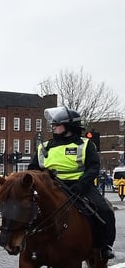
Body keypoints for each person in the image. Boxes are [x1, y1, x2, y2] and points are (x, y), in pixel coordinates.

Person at [28, 107, 116, 259]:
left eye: (57, 124)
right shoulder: (44, 147)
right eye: (53, 124)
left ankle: (104, 246)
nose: (53, 126)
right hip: (52, 186)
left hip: (79, 186)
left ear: (69, 126)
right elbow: (33, 168)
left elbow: (93, 167)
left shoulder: (86, 144)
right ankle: (26, 242)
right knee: (24, 209)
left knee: (104, 210)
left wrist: (82, 184)